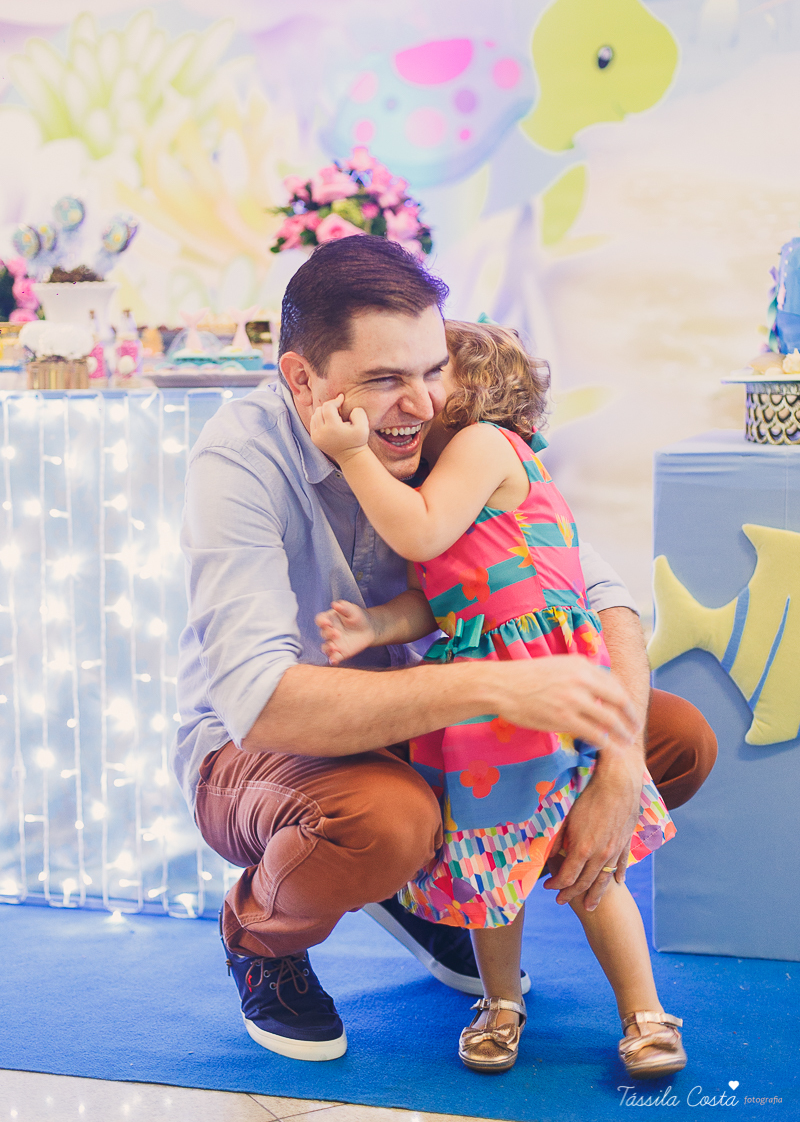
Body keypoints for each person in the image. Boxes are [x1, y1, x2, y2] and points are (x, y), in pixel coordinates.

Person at [172, 234, 717, 1065]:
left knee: (668, 738)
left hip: (431, 723)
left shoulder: (457, 431)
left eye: (432, 370)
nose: (422, 405)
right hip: (264, 745)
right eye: (386, 379)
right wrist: (495, 691)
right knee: (387, 820)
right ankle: (262, 937)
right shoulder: (239, 459)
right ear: (301, 379)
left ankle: (436, 885)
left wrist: (614, 765)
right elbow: (262, 699)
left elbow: (599, 594)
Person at [310, 318, 685, 1078]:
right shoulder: (447, 479)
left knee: (593, 866)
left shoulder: (484, 446)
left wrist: (352, 455)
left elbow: (417, 536)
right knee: (492, 866)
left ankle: (644, 1012)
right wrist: (376, 624)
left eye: (428, 377)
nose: (412, 398)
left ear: (471, 391)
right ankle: (500, 1000)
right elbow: (442, 600)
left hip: (542, 676)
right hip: (487, 696)